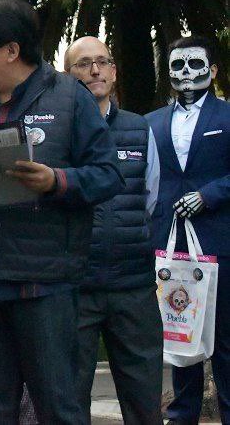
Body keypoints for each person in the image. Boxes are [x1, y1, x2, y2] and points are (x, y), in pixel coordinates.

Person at [0, 0, 123, 423]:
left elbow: (109, 175)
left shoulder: (68, 98)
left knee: (58, 405)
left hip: (44, 285)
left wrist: (56, 181)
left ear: (11, 50)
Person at [64, 36, 163, 424]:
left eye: (103, 61)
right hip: (76, 286)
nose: (95, 70)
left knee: (144, 399)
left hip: (133, 285)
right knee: (69, 401)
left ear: (114, 71)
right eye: (83, 64)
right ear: (67, 76)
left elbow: (149, 198)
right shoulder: (58, 132)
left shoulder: (140, 129)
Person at [145, 35, 230, 424]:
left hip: (219, 242)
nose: (185, 73)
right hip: (169, 247)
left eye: (195, 64)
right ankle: (182, 417)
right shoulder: (151, 123)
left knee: (225, 338)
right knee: (180, 334)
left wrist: (208, 195)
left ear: (212, 70)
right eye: (177, 65)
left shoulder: (226, 117)